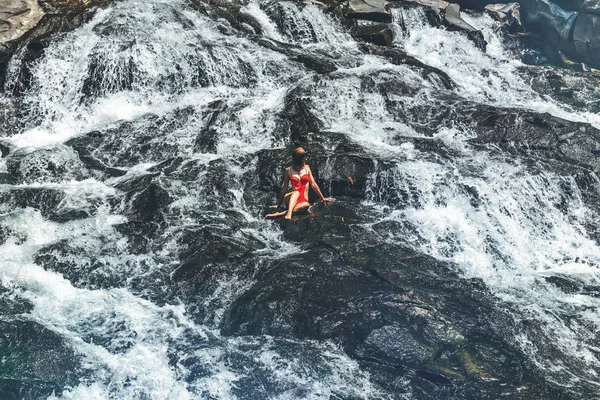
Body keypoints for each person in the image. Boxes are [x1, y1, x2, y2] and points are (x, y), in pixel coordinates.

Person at [266, 147, 335, 220]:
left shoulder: (307, 168)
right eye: (304, 157)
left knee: (306, 205)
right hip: (291, 198)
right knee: (296, 192)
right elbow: (284, 188)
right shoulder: (288, 170)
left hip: (303, 201)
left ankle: (280, 214)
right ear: (299, 159)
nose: (306, 159)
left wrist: (323, 198)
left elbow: (313, 184)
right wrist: (278, 205)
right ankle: (289, 212)